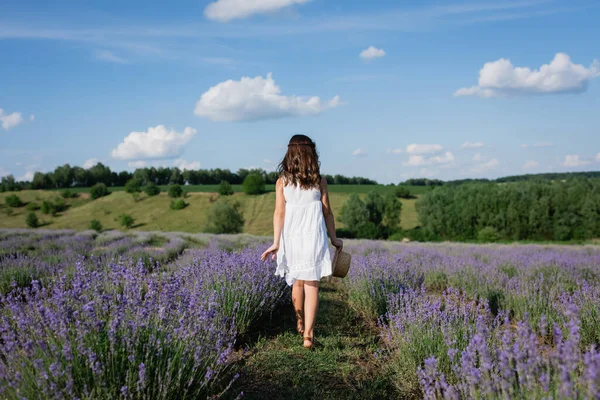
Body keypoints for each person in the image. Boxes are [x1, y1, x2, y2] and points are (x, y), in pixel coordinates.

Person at [261, 134, 343, 350]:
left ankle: (299, 322)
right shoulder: (319, 181)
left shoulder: (282, 182)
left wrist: (276, 242)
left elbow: (279, 213)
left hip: (292, 237)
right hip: (314, 237)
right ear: (311, 154)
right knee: (312, 285)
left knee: (297, 282)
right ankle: (308, 335)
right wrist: (334, 238)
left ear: (290, 154)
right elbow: (328, 213)